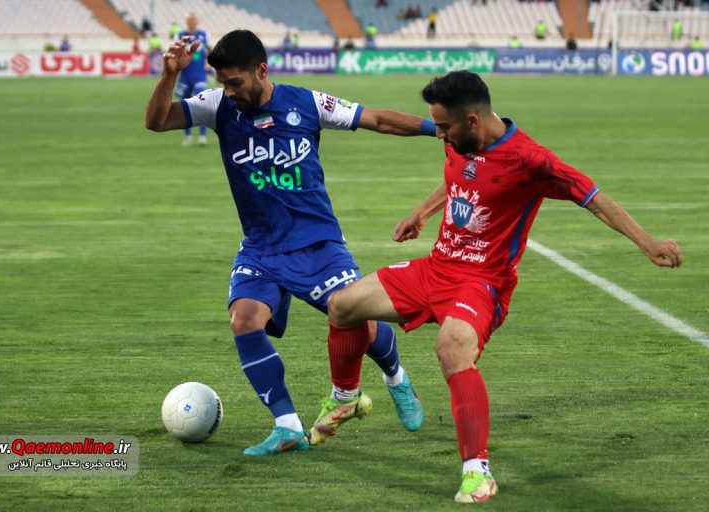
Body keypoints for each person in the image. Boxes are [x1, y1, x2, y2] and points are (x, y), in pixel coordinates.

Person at [313, 70, 682, 502]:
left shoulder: (530, 160)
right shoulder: (460, 141)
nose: (440, 134)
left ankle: (477, 472)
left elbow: (593, 197)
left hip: (482, 283)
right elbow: (460, 177)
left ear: (472, 120)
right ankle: (346, 397)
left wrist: (648, 243)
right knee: (342, 305)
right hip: (436, 268)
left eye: (445, 126)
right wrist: (422, 213)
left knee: (452, 348)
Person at [145, 29, 432, 456]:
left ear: (261, 71)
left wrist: (436, 129)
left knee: (363, 326)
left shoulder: (307, 103)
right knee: (244, 321)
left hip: (317, 243)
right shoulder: (218, 105)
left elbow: (375, 119)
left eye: (235, 82)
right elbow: (157, 121)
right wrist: (169, 74)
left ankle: (397, 379)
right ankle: (287, 426)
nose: (229, 91)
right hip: (261, 248)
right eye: (223, 82)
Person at [175, 12, 211, 146]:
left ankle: (202, 136)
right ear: (186, 22)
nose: (192, 22)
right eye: (190, 20)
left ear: (197, 21)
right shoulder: (180, 35)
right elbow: (175, 53)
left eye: (194, 20)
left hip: (199, 75)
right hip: (184, 76)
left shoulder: (204, 34)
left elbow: (211, 50)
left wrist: (211, 63)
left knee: (202, 105)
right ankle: (188, 136)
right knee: (184, 107)